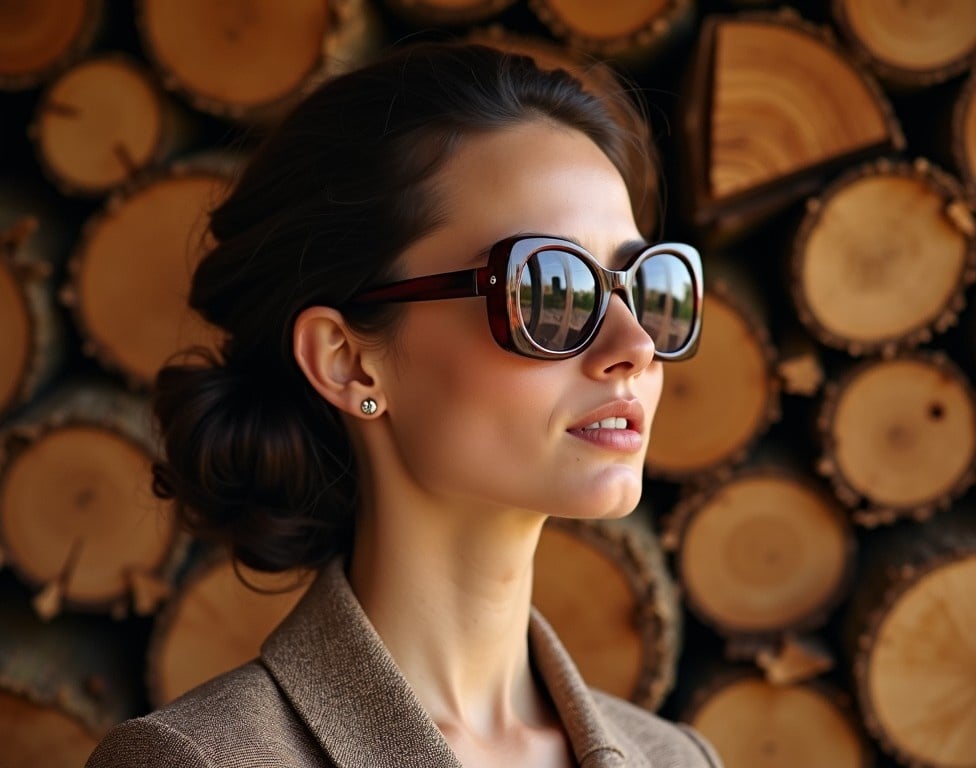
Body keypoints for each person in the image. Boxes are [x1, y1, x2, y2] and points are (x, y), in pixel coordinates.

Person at [86, 41, 715, 768]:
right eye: (552, 291)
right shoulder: (199, 761)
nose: (635, 343)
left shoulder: (677, 760)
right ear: (347, 360)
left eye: (648, 284)